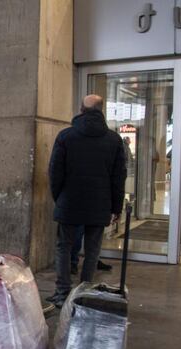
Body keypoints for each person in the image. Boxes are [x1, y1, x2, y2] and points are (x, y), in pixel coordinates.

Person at [46, 94, 126, 307]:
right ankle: (84, 291)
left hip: (70, 201)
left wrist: (59, 197)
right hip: (99, 204)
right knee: (92, 249)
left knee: (64, 246)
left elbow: (55, 173)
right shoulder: (114, 139)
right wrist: (116, 206)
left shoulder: (66, 136)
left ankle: (62, 292)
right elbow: (119, 177)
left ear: (81, 110)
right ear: (101, 110)